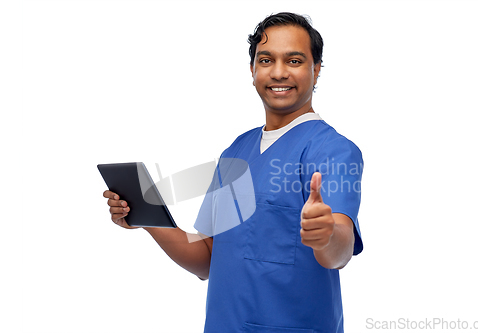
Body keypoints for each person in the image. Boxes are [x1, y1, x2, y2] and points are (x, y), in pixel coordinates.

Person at [103, 12, 363, 333]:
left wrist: (327, 236)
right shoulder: (237, 150)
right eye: (266, 60)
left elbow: (339, 250)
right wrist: (147, 217)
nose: (278, 72)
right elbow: (207, 258)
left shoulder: (333, 150)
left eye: (294, 61)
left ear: (316, 69)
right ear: (253, 70)